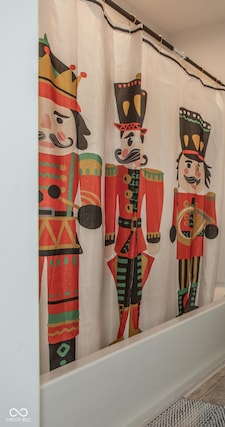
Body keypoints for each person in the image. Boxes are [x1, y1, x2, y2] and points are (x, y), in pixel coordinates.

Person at [38, 34, 102, 369]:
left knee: (64, 306)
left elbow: (91, 200)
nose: (48, 126)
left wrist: (89, 206)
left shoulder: (81, 161)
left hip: (63, 235)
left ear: (78, 129)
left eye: (61, 120)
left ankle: (64, 368)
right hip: (32, 238)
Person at [104, 74, 164, 342]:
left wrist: (153, 234)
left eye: (139, 139)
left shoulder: (149, 175)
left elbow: (155, 200)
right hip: (120, 236)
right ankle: (118, 330)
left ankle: (134, 326)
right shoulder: (113, 172)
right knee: (120, 284)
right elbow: (108, 201)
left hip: (138, 238)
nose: (135, 147)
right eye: (129, 139)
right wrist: (107, 235)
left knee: (136, 284)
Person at [171, 108, 218, 316]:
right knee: (182, 270)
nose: (194, 173)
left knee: (195, 269)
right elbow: (171, 211)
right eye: (188, 165)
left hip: (197, 238)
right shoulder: (177, 193)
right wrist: (173, 226)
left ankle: (193, 297)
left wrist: (211, 226)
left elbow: (211, 210)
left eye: (199, 167)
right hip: (182, 240)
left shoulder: (204, 196)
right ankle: (182, 304)